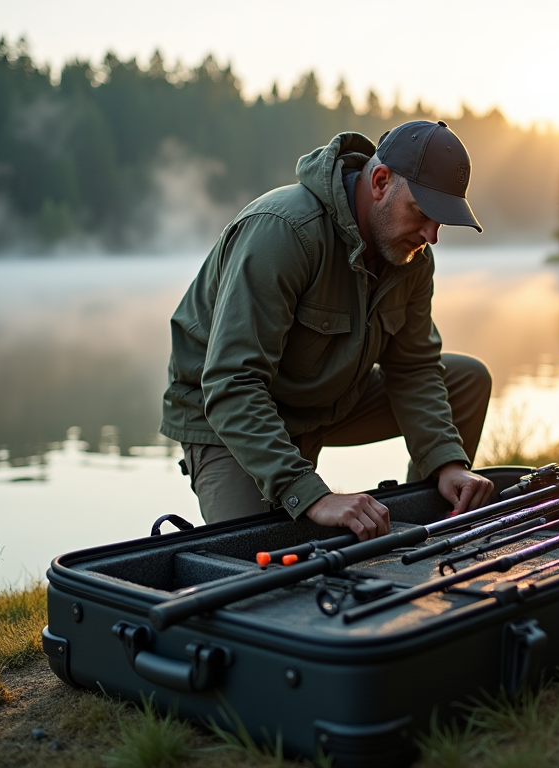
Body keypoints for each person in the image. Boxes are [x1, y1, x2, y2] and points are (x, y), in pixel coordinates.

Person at [159, 120, 495, 541]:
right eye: (424, 213)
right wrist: (312, 495)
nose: (432, 235)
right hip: (223, 415)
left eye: (442, 220)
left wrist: (448, 462)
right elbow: (232, 383)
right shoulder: (282, 232)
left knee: (466, 379)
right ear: (380, 181)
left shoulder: (412, 256)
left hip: (327, 399)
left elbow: (413, 368)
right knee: (266, 563)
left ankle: (429, 521)